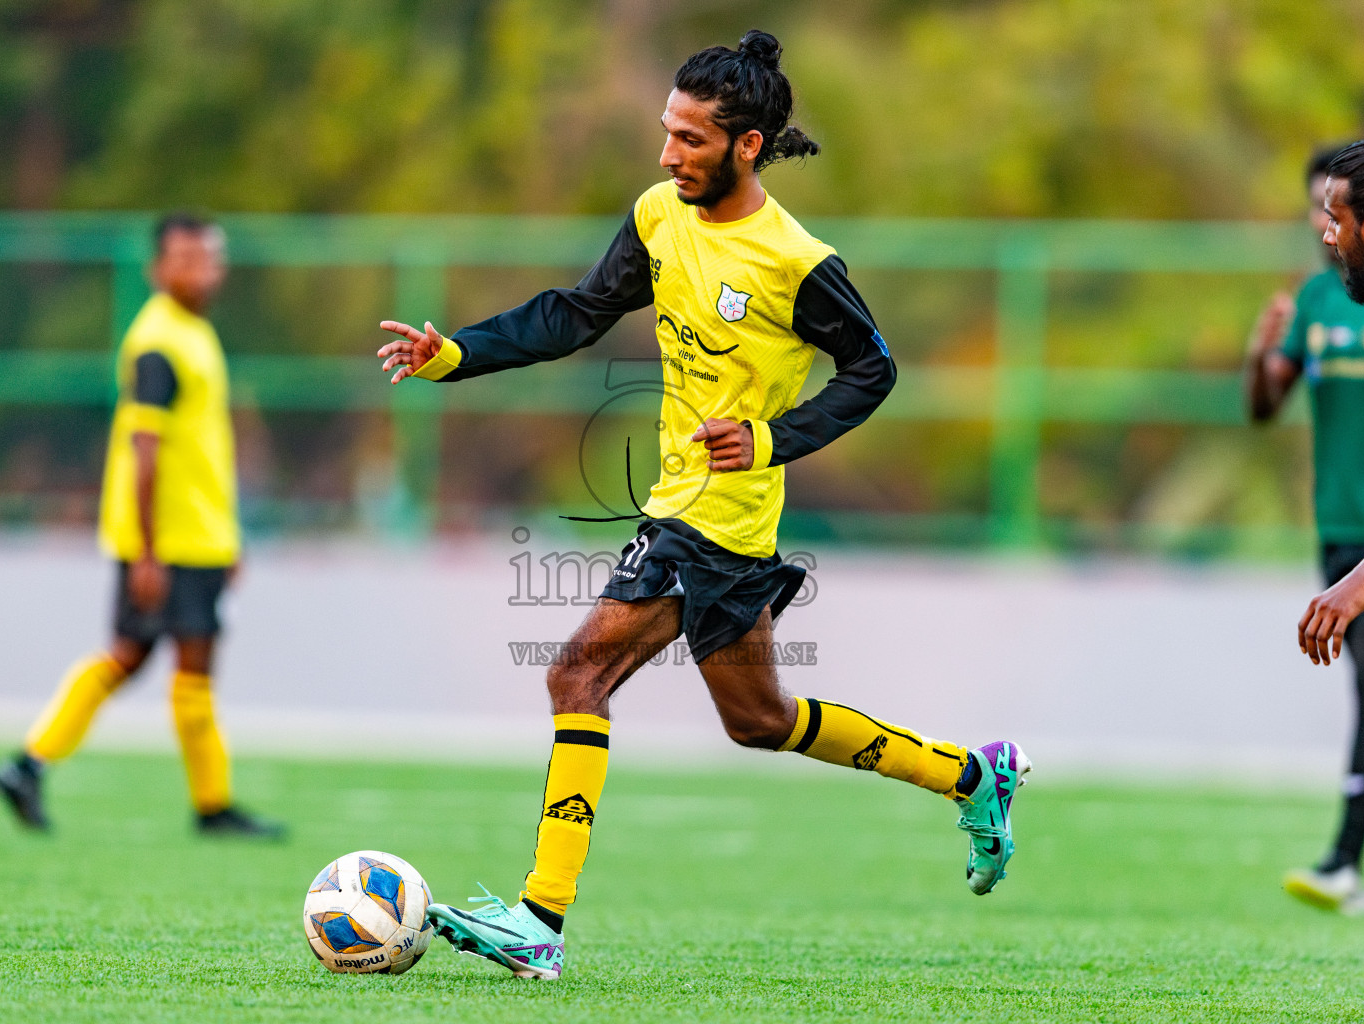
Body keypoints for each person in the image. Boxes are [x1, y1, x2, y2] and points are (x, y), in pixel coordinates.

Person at [375, 30, 1028, 980]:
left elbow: (874, 369)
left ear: (748, 145)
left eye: (689, 139)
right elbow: (578, 310)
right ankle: (973, 776)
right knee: (759, 719)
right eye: (667, 132)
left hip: (716, 519)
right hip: (694, 510)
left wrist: (768, 438)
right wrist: (460, 353)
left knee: (576, 676)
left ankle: (539, 922)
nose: (668, 153)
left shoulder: (796, 262)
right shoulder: (657, 215)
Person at [0, 213, 283, 839]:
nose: (202, 268)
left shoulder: (192, 331)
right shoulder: (160, 342)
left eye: (209, 257)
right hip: (172, 540)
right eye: (187, 258)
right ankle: (211, 806)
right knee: (183, 659)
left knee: (133, 655)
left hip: (199, 534)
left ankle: (30, 766)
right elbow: (143, 450)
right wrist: (150, 553)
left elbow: (202, 450)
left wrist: (227, 535)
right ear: (158, 269)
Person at [1246, 146, 1364, 913]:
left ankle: (1360, 857)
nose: (1325, 233)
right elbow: (1265, 406)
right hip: (1352, 528)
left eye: (1337, 218)